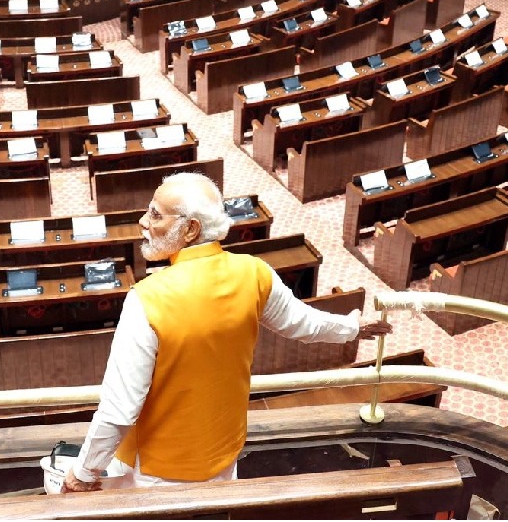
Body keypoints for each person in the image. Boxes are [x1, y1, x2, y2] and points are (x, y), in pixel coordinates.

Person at [63, 173, 392, 492]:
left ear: (190, 229)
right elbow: (302, 323)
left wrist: (84, 470)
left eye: (155, 214)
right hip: (225, 457)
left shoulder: (146, 299)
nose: (143, 222)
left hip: (157, 471)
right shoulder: (253, 272)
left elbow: (119, 408)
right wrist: (352, 327)